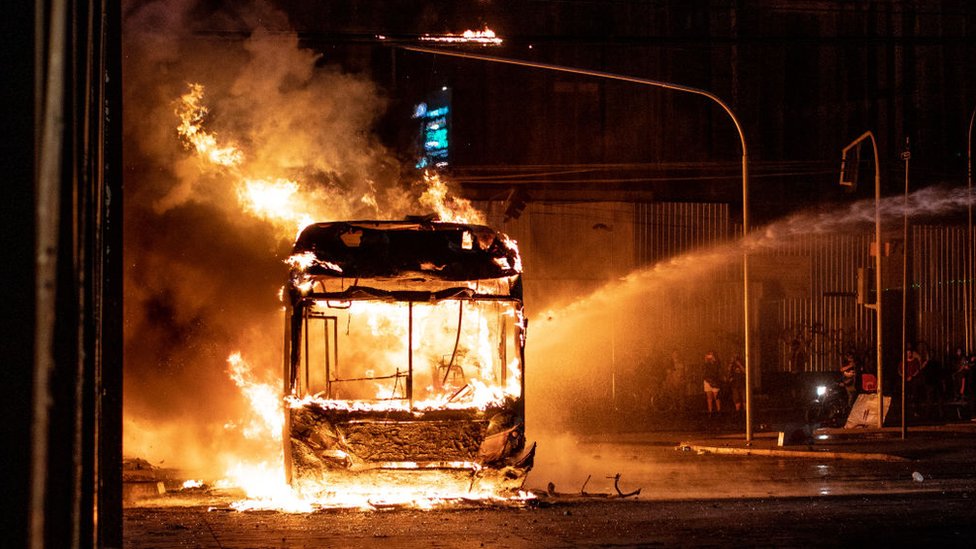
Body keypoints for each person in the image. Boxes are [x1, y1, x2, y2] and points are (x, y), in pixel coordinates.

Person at [702, 351, 722, 416]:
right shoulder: (706, 363)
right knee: (709, 397)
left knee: (716, 397)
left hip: (715, 381)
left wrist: (714, 360)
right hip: (707, 381)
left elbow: (717, 369)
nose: (710, 356)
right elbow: (703, 370)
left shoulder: (717, 362)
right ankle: (710, 412)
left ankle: (719, 411)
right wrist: (705, 360)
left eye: (712, 355)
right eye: (709, 355)